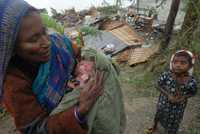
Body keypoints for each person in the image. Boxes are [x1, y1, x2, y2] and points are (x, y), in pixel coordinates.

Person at [0, 0, 105, 133]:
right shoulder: (13, 83)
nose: (46, 42)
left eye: (44, 31)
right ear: (12, 48)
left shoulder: (58, 43)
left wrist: (81, 66)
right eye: (33, 39)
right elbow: (35, 129)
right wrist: (80, 110)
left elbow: (77, 55)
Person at [146, 50, 198, 134]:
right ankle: (154, 128)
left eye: (183, 63)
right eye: (175, 62)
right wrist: (168, 95)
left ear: (190, 66)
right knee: (158, 116)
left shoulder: (191, 81)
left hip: (178, 108)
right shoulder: (166, 75)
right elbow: (158, 85)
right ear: (171, 63)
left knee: (174, 122)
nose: (178, 65)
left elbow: (193, 92)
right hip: (163, 104)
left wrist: (183, 97)